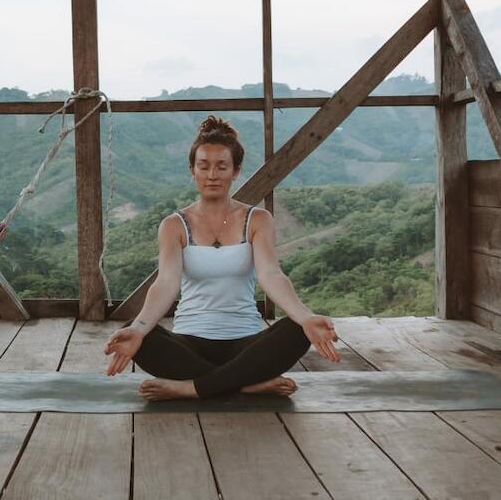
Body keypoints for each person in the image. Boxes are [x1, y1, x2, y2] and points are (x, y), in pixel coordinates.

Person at [103, 115, 340, 399]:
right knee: (136, 332)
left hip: (246, 343)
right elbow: (166, 282)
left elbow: (271, 274)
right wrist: (139, 329)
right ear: (192, 171)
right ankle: (246, 383)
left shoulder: (258, 220)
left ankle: (192, 388)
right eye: (203, 167)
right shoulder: (174, 225)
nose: (212, 175)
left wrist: (306, 316)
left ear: (236, 171)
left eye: (221, 166)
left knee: (297, 328)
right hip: (189, 343)